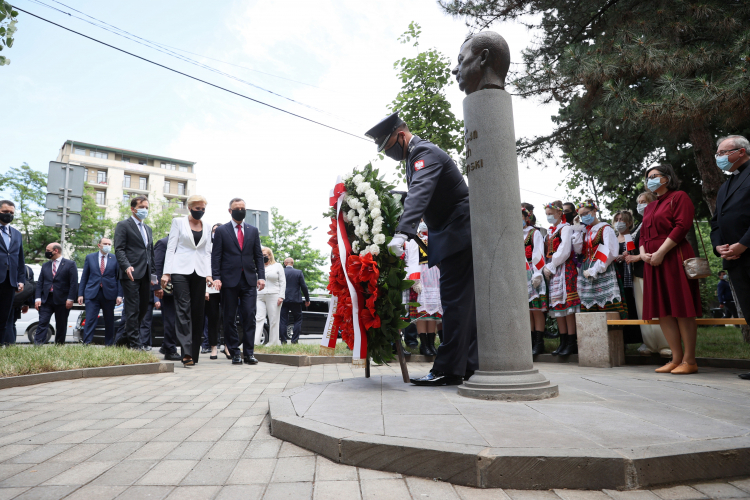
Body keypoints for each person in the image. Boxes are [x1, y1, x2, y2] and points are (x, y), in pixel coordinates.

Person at [365, 112, 477, 386]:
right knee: (463, 305)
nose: (388, 152)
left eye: (388, 145)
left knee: (455, 304)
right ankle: (470, 367)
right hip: (454, 235)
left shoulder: (424, 152)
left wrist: (403, 232)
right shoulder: (415, 155)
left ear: (401, 135)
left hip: (458, 235)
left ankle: (449, 370)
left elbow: (420, 192)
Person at [641, 164, 702, 375]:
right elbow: (642, 235)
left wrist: (661, 252)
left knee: (681, 308)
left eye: (654, 176)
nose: (650, 180)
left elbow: (681, 226)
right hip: (652, 262)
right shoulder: (649, 207)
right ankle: (676, 358)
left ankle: (690, 360)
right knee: (663, 311)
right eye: (648, 177)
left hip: (673, 256)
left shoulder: (679, 197)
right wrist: (642, 254)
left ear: (667, 178)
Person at [710, 135, 750, 380]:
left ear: (741, 152)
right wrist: (718, 248)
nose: (719, 157)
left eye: (724, 152)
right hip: (733, 259)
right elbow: (716, 223)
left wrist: (743, 244)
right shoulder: (725, 186)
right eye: (718, 153)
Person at [212, 197, 265, 365]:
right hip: (228, 281)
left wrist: (261, 276)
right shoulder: (221, 231)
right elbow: (216, 256)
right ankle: (234, 352)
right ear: (230, 210)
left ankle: (249, 353)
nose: (240, 210)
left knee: (249, 316)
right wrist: (217, 277)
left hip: (249, 280)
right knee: (229, 317)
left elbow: (258, 255)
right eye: (237, 208)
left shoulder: (253, 230)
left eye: (243, 208)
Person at [162, 195, 212, 366]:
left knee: (198, 312)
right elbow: (171, 247)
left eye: (203, 208)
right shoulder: (178, 222)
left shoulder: (207, 226)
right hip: (180, 270)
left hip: (199, 271)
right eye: (198, 208)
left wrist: (209, 274)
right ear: (190, 208)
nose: (201, 211)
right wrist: (166, 273)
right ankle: (186, 352)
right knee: (183, 309)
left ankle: (194, 354)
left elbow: (207, 252)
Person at [573, 200, 626, 353]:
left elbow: (611, 251)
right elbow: (578, 249)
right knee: (590, 307)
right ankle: (594, 346)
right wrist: (577, 229)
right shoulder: (585, 231)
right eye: (581, 215)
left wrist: (597, 269)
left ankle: (615, 346)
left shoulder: (605, 228)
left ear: (594, 211)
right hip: (586, 269)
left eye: (586, 214)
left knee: (608, 306)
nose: (584, 217)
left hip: (603, 269)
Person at [625, 192, 671, 357]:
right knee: (643, 309)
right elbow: (634, 245)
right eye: (638, 202)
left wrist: (636, 256)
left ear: (652, 202)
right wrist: (628, 254)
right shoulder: (639, 224)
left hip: (652, 268)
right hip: (638, 271)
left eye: (643, 201)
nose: (640, 205)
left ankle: (666, 344)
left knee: (657, 307)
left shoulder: (656, 220)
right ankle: (650, 343)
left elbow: (655, 245)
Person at [115, 196, 156, 349]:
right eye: (141, 207)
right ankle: (135, 343)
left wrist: (153, 274)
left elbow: (150, 253)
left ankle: (122, 340)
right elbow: (119, 249)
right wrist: (126, 266)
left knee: (143, 308)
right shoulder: (123, 225)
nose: (144, 210)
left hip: (145, 274)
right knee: (132, 309)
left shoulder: (148, 229)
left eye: (146, 207)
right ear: (133, 209)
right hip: (130, 274)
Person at [542, 201, 581, 355]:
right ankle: (563, 341)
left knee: (567, 306)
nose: (548, 217)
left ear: (559, 213)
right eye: (546, 214)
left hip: (565, 269)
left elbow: (565, 250)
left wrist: (550, 266)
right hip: (554, 271)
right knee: (558, 306)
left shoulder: (566, 228)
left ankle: (571, 341)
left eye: (551, 213)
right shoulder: (551, 232)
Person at [77, 237, 123, 345]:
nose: (107, 245)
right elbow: (84, 277)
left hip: (109, 293)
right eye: (105, 243)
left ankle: (109, 344)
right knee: (90, 319)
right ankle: (87, 343)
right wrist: (80, 294)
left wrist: (119, 295)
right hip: (92, 293)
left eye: (109, 244)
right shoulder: (90, 257)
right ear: (99, 245)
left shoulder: (115, 258)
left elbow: (119, 278)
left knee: (109, 320)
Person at [34, 242, 78, 345]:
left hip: (63, 300)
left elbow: (73, 283)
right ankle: (37, 346)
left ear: (56, 251)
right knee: (42, 322)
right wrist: (37, 298)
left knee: (61, 325)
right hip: (46, 299)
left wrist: (71, 299)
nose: (46, 253)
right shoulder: (45, 265)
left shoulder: (70, 264)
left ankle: (59, 346)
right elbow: (40, 283)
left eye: (48, 251)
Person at [613, 210, 643, 346]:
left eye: (622, 220)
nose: (619, 223)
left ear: (629, 223)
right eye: (617, 220)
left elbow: (637, 253)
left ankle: (637, 338)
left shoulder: (632, 237)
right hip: (614, 276)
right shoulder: (611, 238)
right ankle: (622, 339)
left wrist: (628, 255)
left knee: (632, 304)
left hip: (629, 276)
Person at [0, 200, 25, 344]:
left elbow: (20, 259)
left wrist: (20, 280)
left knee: (4, 316)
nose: (8, 215)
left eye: (11, 213)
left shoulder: (16, 234)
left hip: (10, 281)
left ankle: (1, 345)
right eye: (5, 212)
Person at [524, 207, 547, 355]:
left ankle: (539, 343)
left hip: (532, 271)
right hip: (519, 272)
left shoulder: (534, 232)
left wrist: (537, 273)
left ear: (527, 217)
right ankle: (530, 341)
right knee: (527, 310)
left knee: (536, 309)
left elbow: (538, 252)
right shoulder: (513, 233)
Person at [154, 235, 181, 361]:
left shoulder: (184, 244)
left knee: (177, 320)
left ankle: (166, 346)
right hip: (168, 289)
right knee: (171, 320)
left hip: (182, 289)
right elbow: (157, 266)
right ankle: (170, 350)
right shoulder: (163, 243)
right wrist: (158, 287)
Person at [255, 247, 285, 346]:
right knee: (259, 318)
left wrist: (281, 296)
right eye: (261, 255)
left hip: (274, 294)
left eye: (265, 255)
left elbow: (282, 282)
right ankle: (255, 342)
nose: (263, 257)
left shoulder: (277, 266)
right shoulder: (257, 267)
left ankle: (274, 342)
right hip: (259, 295)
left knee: (274, 319)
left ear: (270, 256)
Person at [204, 223, 224, 358]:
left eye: (218, 230)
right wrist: (205, 290)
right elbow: (203, 269)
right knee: (212, 320)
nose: (215, 232)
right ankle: (213, 348)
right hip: (210, 289)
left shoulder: (227, 247)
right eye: (214, 230)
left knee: (228, 318)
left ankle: (228, 346)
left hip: (226, 287)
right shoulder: (207, 247)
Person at [280, 258, 309, 344]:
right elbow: (304, 286)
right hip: (295, 300)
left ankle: (283, 341)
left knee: (283, 320)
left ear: (285, 263)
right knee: (298, 319)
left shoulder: (281, 272)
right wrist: (307, 299)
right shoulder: (298, 272)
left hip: (283, 299)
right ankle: (294, 340)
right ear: (292, 263)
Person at [3, 265, 34, 346]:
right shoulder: (27, 269)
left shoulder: (8, 267)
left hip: (8, 299)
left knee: (7, 323)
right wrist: (27, 303)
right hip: (19, 301)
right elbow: (29, 288)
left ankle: (9, 345)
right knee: (12, 323)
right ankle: (11, 345)